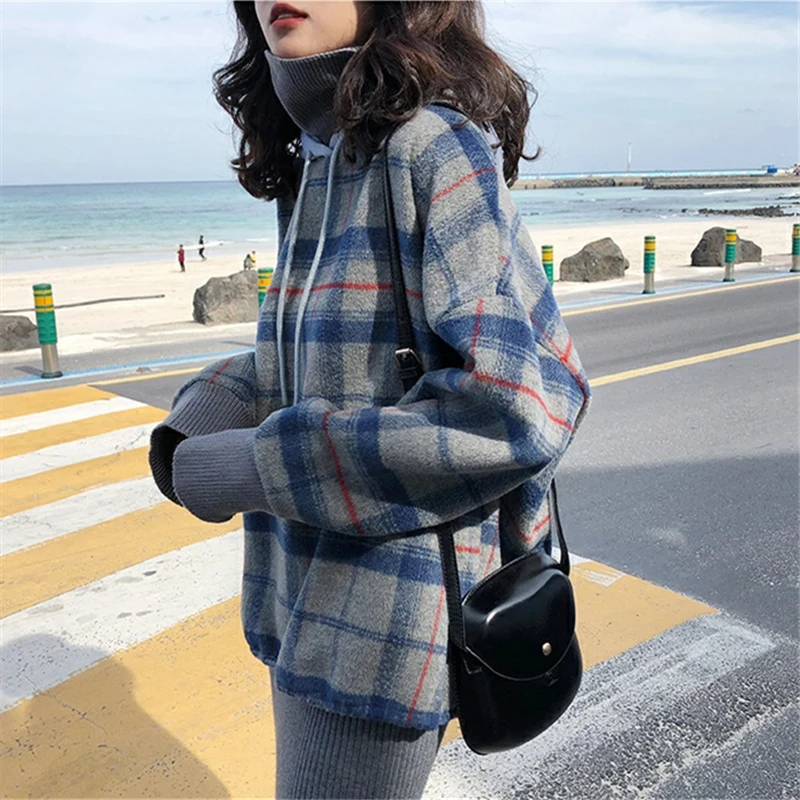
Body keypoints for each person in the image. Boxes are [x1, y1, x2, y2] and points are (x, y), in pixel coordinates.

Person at [149, 2, 591, 797]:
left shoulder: (431, 147)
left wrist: (259, 464)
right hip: (302, 601)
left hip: (386, 630)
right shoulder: (319, 160)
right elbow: (323, 356)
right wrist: (200, 417)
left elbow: (514, 409)